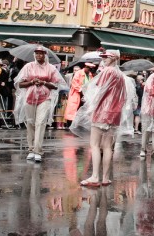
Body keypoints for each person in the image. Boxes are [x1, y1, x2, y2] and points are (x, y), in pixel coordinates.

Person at [74, 49, 126, 187]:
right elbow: (124, 96)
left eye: (107, 57)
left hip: (102, 112)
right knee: (108, 146)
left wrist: (91, 107)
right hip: (114, 114)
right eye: (103, 57)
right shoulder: (120, 75)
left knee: (95, 144)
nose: (104, 59)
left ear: (114, 58)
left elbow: (98, 91)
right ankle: (105, 177)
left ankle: (95, 176)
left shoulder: (107, 71)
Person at [14, 46, 67, 163]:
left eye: (41, 53)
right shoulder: (28, 66)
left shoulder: (51, 68)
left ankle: (38, 150)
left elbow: (56, 85)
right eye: (37, 53)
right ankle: (31, 149)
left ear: (45, 55)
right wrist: (31, 82)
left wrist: (44, 82)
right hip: (30, 97)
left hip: (45, 98)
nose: (39, 55)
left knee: (41, 122)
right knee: (30, 123)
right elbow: (20, 84)